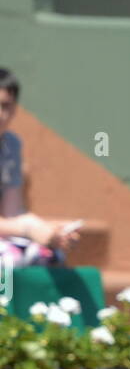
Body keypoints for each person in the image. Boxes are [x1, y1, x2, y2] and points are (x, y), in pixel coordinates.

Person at [0, 68, 83, 267]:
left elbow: (12, 212)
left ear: (15, 109)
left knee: (48, 255)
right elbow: (20, 225)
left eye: (5, 106)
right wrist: (28, 229)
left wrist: (48, 229)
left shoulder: (11, 145)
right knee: (10, 260)